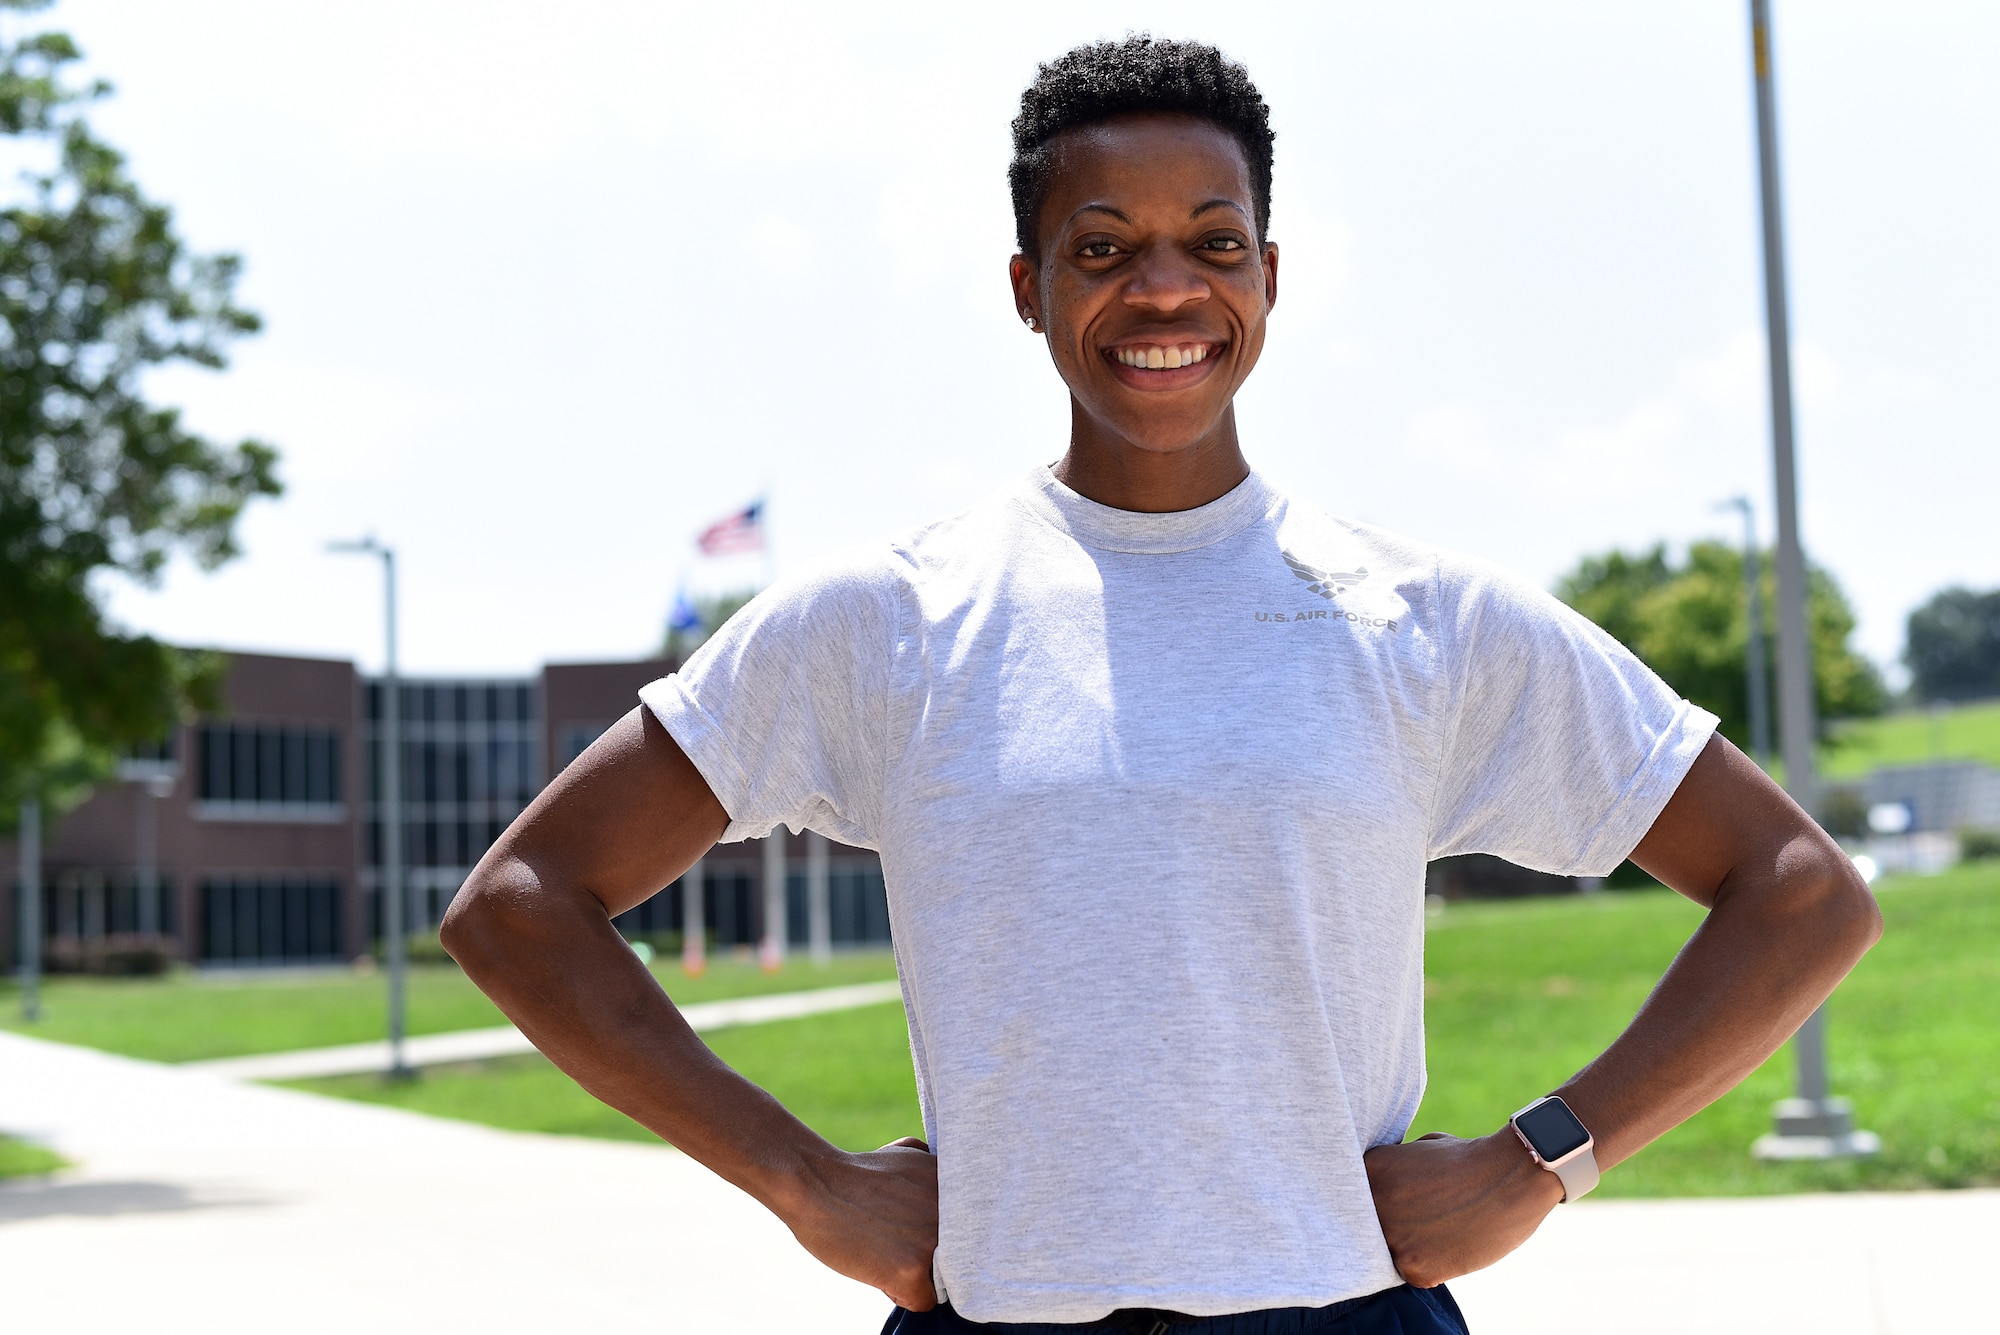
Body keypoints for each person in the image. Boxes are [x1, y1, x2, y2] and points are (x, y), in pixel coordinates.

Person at [441, 36, 1880, 1335]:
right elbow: (521, 905)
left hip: (1342, 1316)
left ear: (1268, 274)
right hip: (999, 1321)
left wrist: (1541, 1161)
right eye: (1103, 247)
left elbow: (1800, 887)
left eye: (1212, 240)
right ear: (1029, 288)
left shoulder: (1419, 619)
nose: (1165, 289)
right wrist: (805, 1183)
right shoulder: (891, 618)